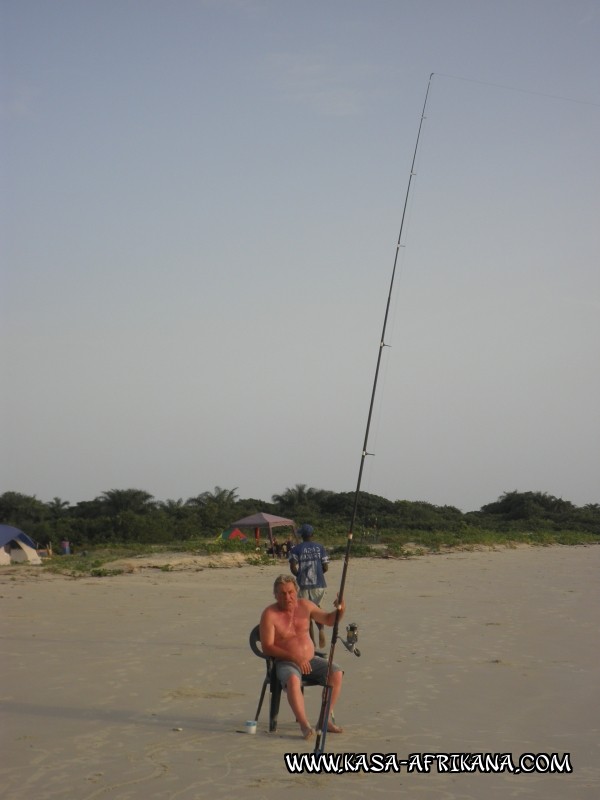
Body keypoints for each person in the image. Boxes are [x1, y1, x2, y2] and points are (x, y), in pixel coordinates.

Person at [259, 574, 345, 740]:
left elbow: (328, 620)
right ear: (275, 594)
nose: (287, 597)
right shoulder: (269, 614)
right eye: (282, 593)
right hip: (285, 662)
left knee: (336, 672)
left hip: (311, 660)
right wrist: (294, 657)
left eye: (290, 592)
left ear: (296, 591)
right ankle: (304, 725)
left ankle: (324, 720)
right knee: (292, 680)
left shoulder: (305, 605)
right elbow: (267, 646)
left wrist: (341, 608)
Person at [288, 523, 329, 648]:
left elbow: (293, 567)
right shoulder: (320, 547)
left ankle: (312, 642)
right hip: (319, 584)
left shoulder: (296, 549)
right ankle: (321, 629)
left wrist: (299, 575)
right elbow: (325, 567)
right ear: (312, 535)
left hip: (304, 584)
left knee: (306, 614)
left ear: (302, 536)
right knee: (317, 609)